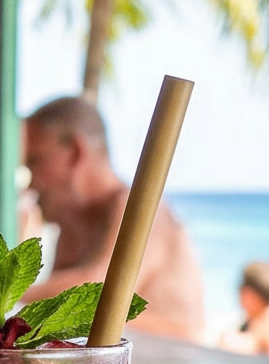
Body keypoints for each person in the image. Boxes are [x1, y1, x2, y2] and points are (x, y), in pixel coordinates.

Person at [18, 95, 205, 341]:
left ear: (74, 153)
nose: (30, 184)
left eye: (35, 162)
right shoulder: (72, 225)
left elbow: (98, 295)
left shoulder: (135, 207)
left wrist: (4, 299)